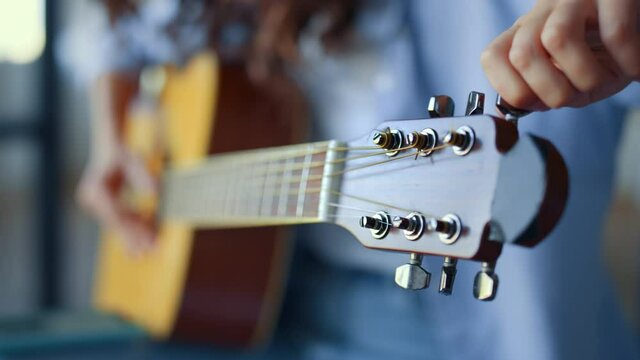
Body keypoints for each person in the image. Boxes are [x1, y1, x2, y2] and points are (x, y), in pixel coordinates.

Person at [68, 0, 640, 359]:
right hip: (232, 303)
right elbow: (119, 31)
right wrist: (111, 139)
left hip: (422, 315)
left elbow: (610, 37)